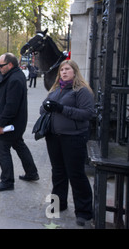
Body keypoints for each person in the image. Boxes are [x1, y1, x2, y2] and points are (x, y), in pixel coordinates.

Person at [40, 60, 94, 227]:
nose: (63, 72)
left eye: (67, 69)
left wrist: (61, 109)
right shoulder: (56, 89)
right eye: (62, 69)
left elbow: (87, 113)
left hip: (74, 137)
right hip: (54, 137)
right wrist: (47, 106)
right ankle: (58, 204)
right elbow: (43, 109)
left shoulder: (82, 91)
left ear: (75, 71)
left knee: (76, 174)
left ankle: (84, 212)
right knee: (57, 173)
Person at [0, 53, 39, 191]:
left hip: (10, 124)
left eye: (1, 65)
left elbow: (11, 105)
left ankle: (7, 181)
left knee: (1, 150)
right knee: (19, 145)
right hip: (16, 123)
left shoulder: (14, 79)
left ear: (10, 65)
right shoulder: (15, 75)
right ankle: (32, 172)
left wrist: (1, 124)